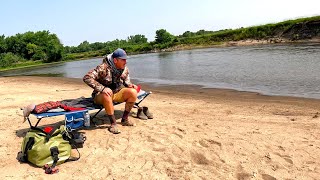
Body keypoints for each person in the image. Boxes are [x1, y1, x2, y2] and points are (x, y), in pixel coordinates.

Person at [83, 48, 139, 134]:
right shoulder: (103, 68)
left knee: (133, 92)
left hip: (116, 93)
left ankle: (124, 119)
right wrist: (102, 88)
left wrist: (130, 85)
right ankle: (113, 124)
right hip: (101, 96)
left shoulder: (124, 69)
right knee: (106, 94)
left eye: (126, 59)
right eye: (123, 59)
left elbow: (127, 81)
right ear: (115, 60)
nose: (125, 61)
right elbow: (87, 77)